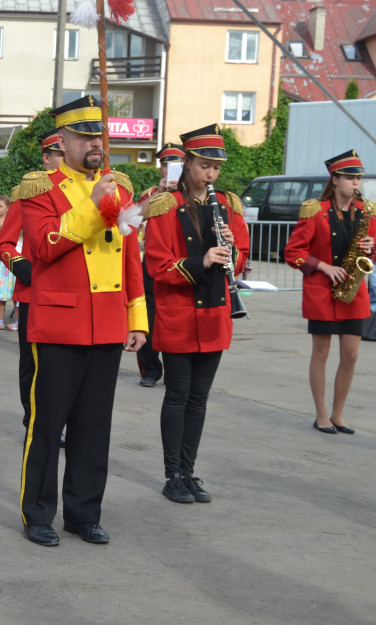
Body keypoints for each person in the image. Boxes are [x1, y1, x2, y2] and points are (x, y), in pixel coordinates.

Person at [17, 95, 148, 547]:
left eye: (99, 135)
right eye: (85, 136)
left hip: (108, 325)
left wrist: (138, 318)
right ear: (65, 140)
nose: (96, 143)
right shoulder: (39, 188)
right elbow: (44, 246)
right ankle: (38, 513)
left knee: (95, 428)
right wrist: (93, 205)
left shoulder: (121, 187)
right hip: (58, 325)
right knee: (47, 424)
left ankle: (83, 513)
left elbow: (131, 258)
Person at [144, 125, 250, 503]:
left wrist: (233, 252)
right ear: (187, 163)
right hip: (179, 314)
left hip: (215, 313)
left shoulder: (228, 205)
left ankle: (189, 472)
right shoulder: (164, 206)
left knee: (199, 399)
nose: (211, 174)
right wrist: (201, 260)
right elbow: (157, 265)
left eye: (216, 168)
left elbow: (243, 256)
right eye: (204, 165)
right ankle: (172, 474)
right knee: (177, 395)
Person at [285, 149, 376, 435]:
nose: (356, 183)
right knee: (321, 354)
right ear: (335, 179)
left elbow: (372, 254)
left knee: (351, 356)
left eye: (359, 178)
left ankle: (339, 414)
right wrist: (323, 266)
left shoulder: (367, 211)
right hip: (322, 291)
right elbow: (292, 252)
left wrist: (369, 250)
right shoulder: (315, 210)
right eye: (350, 178)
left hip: (353, 292)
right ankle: (321, 415)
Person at [0, 131, 63, 432]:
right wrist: (30, 273)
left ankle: (60, 421)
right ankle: (33, 420)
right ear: (46, 158)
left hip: (71, 294)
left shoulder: (87, 191)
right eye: (57, 155)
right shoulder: (28, 191)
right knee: (32, 367)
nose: (63, 160)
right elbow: (5, 244)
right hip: (33, 292)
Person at [135, 142, 185, 387]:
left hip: (182, 262)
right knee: (148, 316)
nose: (169, 170)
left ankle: (176, 366)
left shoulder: (192, 193)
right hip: (153, 262)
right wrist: (160, 195)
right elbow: (137, 216)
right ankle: (150, 369)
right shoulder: (151, 192)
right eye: (166, 165)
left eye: (174, 165)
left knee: (177, 316)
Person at [0, 195, 17, 330]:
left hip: (16, 261)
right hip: (4, 262)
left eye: (0, 206)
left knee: (16, 296)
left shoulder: (15, 221)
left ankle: (17, 321)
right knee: (1, 293)